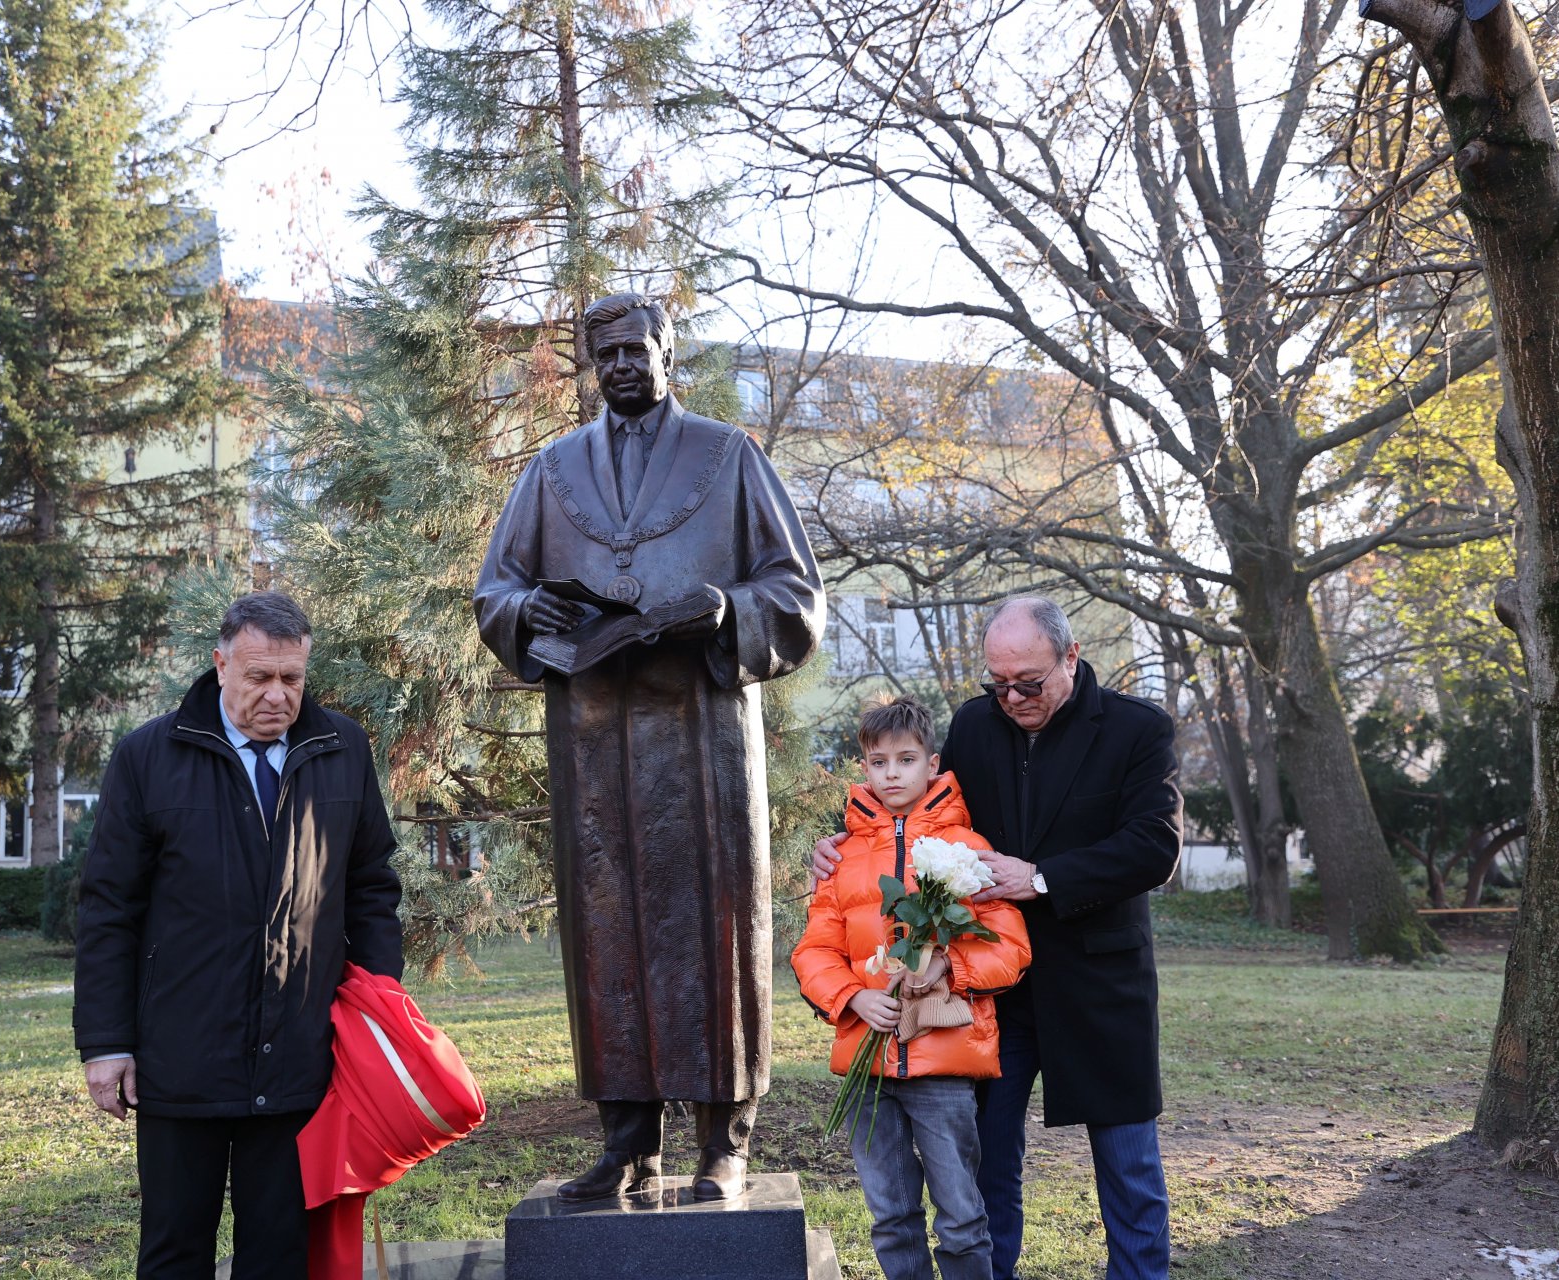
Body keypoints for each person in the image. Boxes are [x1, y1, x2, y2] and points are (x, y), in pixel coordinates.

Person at [475, 292, 825, 1201]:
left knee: (715, 930)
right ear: (592, 365)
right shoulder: (552, 471)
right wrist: (528, 611)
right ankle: (627, 1139)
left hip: (703, 734)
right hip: (594, 740)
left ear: (668, 351)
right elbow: (497, 591)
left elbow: (796, 593)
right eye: (607, 355)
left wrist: (728, 608)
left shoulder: (730, 456)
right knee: (608, 935)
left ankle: (723, 1142)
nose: (622, 366)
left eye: (637, 349)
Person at [814, 597, 1182, 1280]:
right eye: (998, 683)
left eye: (1029, 683)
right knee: (985, 1163)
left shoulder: (1138, 729)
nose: (1012, 698)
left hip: (1100, 983)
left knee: (1128, 1165)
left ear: (1071, 658)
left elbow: (1154, 846)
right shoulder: (976, 726)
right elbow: (925, 810)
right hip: (987, 989)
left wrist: (1041, 877)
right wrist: (844, 845)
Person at [75, 590, 403, 1279]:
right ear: (220, 664)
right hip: (179, 1057)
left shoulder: (342, 749)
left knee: (280, 1255)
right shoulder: (147, 756)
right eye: (259, 677)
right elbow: (109, 908)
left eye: (292, 678)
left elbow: (371, 885)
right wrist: (106, 1045)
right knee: (173, 1251)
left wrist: (379, 1012)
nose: (278, 696)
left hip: (298, 1058)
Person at [793, 696, 1031, 1280]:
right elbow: (814, 950)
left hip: (944, 1068)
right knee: (891, 1216)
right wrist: (852, 997)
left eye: (906, 759)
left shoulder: (967, 850)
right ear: (865, 767)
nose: (892, 773)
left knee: (960, 1216)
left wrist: (948, 970)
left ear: (933, 763)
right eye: (879, 762)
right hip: (866, 1069)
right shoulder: (842, 857)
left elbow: (1011, 948)